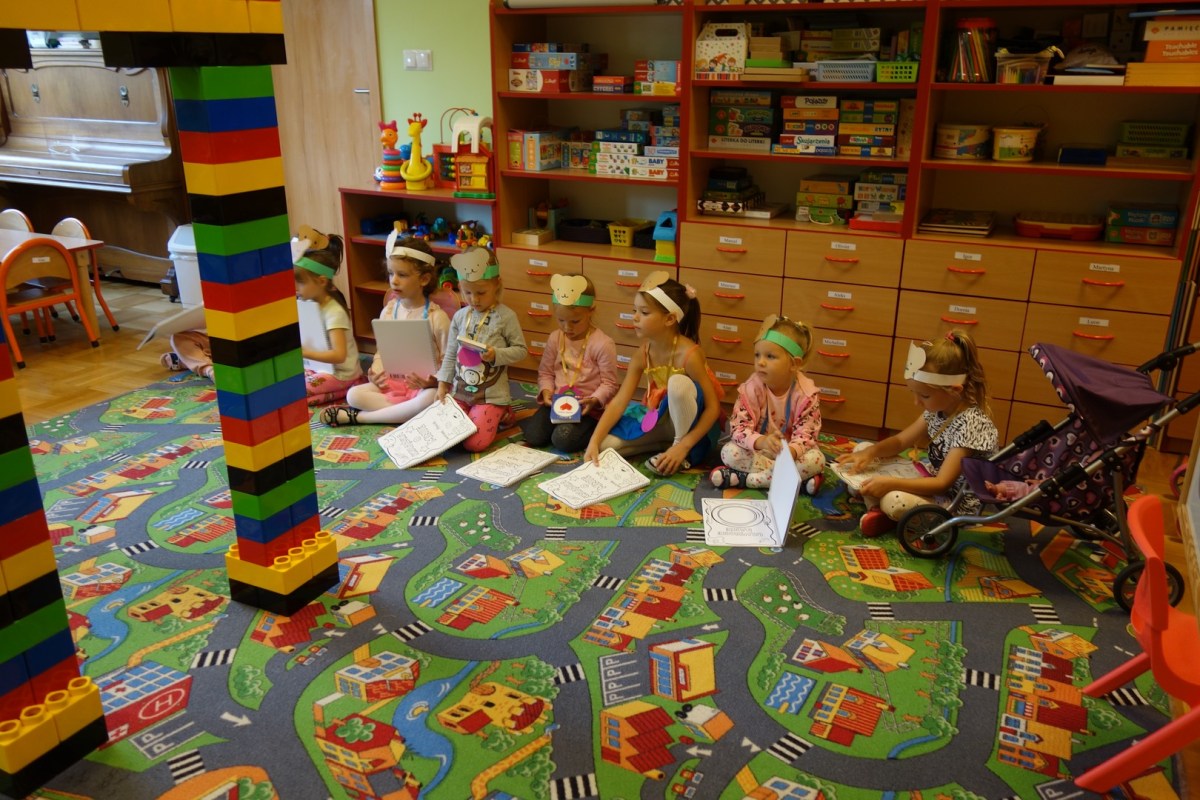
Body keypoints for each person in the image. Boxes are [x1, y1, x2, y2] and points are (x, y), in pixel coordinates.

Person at [836, 330, 997, 537]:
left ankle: (879, 507)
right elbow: (900, 441)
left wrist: (890, 483)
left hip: (953, 503)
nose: (916, 402)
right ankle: (878, 505)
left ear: (955, 390)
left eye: (924, 395)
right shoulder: (939, 409)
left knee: (895, 499)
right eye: (913, 393)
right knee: (863, 448)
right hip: (929, 477)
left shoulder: (972, 424)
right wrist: (870, 453)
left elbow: (942, 484)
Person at [584, 271, 723, 476]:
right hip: (661, 420)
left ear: (669, 319)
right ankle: (665, 447)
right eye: (634, 310)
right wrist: (594, 441)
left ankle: (678, 449)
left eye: (644, 312)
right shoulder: (642, 354)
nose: (635, 317)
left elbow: (713, 408)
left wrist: (683, 445)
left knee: (678, 384)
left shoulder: (690, 355)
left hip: (690, 426)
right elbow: (619, 401)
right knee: (605, 446)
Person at [322, 234, 450, 426]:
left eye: (402, 275)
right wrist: (376, 373)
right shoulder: (388, 312)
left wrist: (433, 381)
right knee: (353, 395)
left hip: (424, 388)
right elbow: (382, 352)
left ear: (424, 279)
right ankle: (403, 413)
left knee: (429, 399)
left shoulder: (437, 317)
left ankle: (360, 418)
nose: (394, 281)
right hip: (393, 383)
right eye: (391, 273)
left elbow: (450, 359)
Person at [710, 314, 824, 494]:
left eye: (770, 356)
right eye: (757, 355)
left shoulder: (806, 395)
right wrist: (762, 441)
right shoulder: (750, 389)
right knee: (729, 452)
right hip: (759, 452)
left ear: (794, 364)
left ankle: (748, 480)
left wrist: (789, 453)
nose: (760, 362)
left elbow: (806, 436)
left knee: (816, 459)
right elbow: (738, 430)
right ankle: (793, 481)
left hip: (791, 455)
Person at [436, 246, 528, 452]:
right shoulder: (460, 316)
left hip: (491, 395)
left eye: (481, 293)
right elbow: (450, 354)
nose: (474, 299)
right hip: (461, 391)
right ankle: (483, 415)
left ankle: (503, 411)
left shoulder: (506, 317)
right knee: (445, 435)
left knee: (474, 443)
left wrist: (497, 354)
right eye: (467, 292)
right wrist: (443, 385)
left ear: (497, 285)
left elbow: (521, 350)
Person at [519, 274, 619, 452]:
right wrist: (547, 390)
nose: (567, 327)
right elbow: (545, 373)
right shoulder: (555, 338)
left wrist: (595, 399)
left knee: (563, 440)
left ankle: (598, 428)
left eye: (575, 321)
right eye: (561, 320)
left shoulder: (603, 344)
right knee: (533, 436)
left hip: (586, 408)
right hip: (558, 403)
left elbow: (610, 383)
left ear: (591, 310)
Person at [295, 232, 363, 405]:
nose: (296, 288)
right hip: (319, 368)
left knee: (297, 391)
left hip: (341, 374)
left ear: (322, 281)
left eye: (301, 282)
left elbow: (339, 355)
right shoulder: (309, 305)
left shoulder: (334, 312)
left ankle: (350, 385)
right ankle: (336, 392)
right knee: (287, 382)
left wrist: (305, 353)